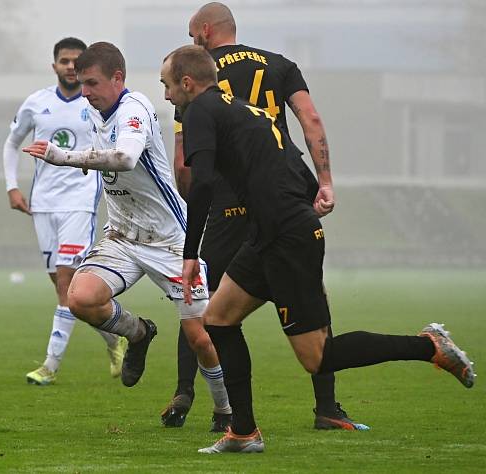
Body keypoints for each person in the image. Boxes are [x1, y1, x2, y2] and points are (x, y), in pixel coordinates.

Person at [160, 44, 475, 454]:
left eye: (167, 85)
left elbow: (200, 183)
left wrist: (190, 254)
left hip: (286, 237)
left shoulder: (201, 109)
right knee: (217, 320)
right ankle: (243, 432)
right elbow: (288, 158)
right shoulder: (243, 109)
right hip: (270, 233)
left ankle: (428, 345)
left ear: (187, 83)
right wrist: (313, 193)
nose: (166, 95)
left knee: (318, 357)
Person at [161, 1, 366, 432]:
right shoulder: (280, 64)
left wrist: (195, 202)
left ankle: (186, 392)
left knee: (202, 299)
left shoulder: (197, 75)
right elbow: (310, 119)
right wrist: (324, 182)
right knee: (313, 297)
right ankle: (327, 407)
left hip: (229, 200)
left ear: (203, 31)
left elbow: (186, 162)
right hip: (283, 196)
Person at [23, 41, 233, 430]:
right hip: (121, 236)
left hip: (169, 239)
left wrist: (65, 157)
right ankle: (139, 333)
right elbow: (101, 151)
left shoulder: (135, 108)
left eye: (92, 83)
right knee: (80, 298)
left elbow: (125, 157)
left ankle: (225, 411)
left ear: (118, 78)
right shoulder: (92, 109)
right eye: (82, 84)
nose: (85, 91)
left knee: (199, 337)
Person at [3, 37, 127, 386]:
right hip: (43, 203)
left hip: (80, 200)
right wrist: (12, 186)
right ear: (54, 65)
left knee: (65, 285)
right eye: (64, 61)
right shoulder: (37, 103)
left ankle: (49, 366)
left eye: (76, 61)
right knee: (68, 292)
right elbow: (12, 144)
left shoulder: (98, 103)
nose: (70, 66)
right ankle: (113, 336)